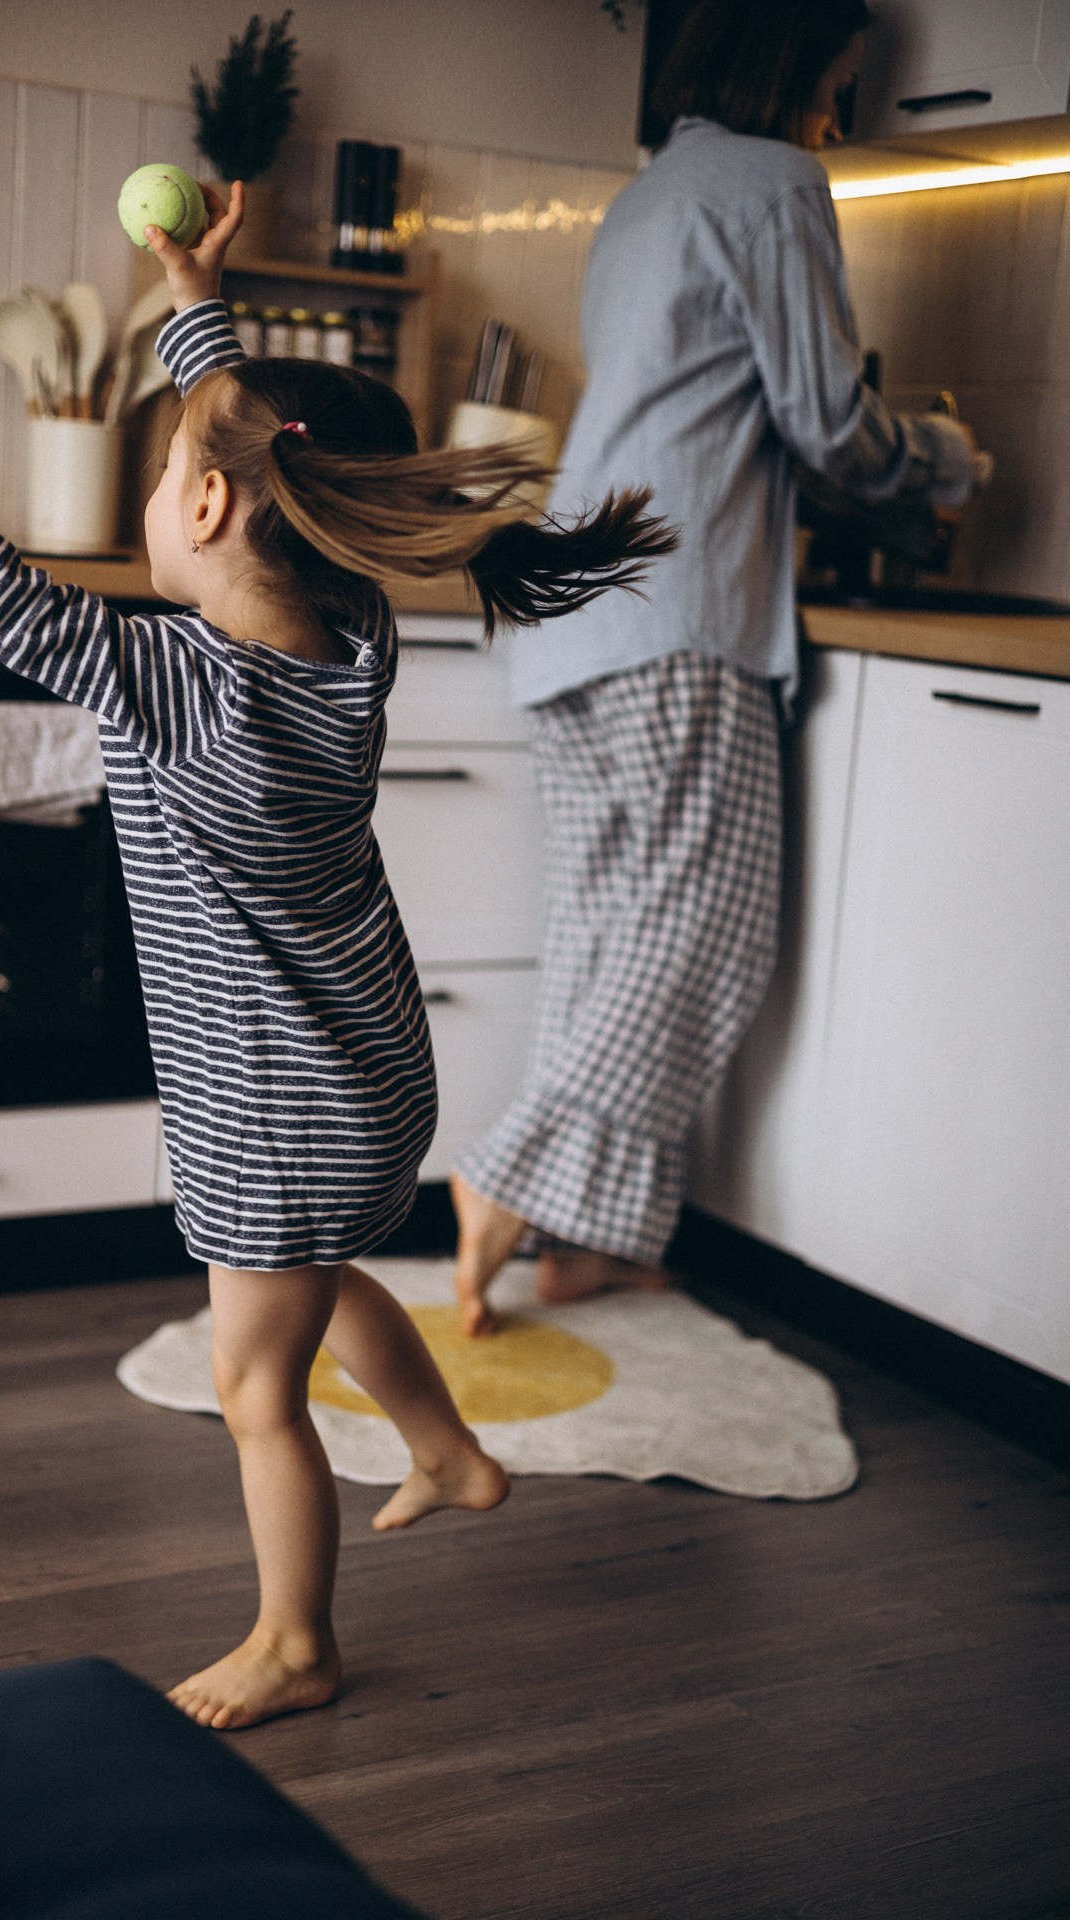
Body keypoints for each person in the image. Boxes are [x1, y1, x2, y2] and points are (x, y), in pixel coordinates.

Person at [0, 188, 674, 1731]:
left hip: (270, 1105)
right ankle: (452, 1453)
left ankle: (294, 1641)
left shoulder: (175, 687)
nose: (154, 499)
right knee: (317, 1289)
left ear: (201, 512)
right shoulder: (349, 652)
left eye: (162, 474)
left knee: (255, 1382)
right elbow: (266, 449)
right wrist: (196, 301)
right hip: (366, 1080)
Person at [450, 0, 991, 1336]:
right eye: (837, 85)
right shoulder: (775, 181)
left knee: (605, 933)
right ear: (796, 59)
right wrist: (947, 461)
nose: (835, 115)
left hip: (575, 598)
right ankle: (512, 1179)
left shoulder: (652, 195)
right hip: (675, 613)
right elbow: (826, 423)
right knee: (704, 935)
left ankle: (580, 1246)